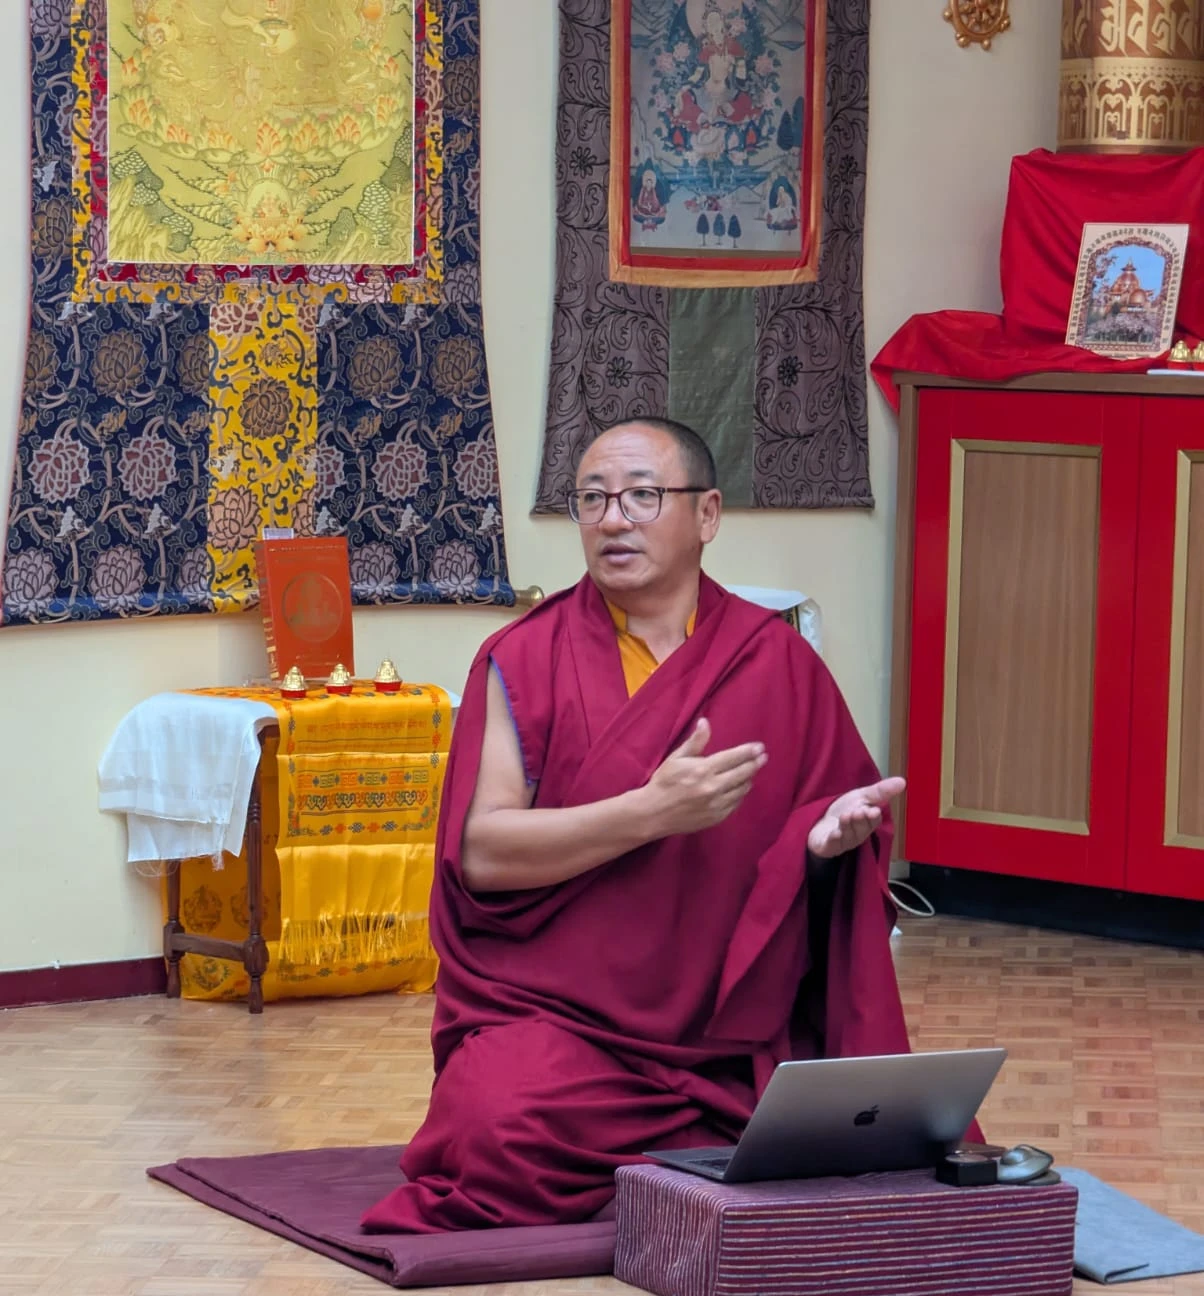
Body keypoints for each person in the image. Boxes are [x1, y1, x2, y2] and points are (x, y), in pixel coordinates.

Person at [362, 419, 968, 1235]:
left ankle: (710, 1157)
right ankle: (708, 1168)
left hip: (725, 1036)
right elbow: (481, 855)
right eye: (592, 499)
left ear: (707, 514)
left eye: (643, 495)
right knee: (493, 1131)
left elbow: (826, 845)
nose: (614, 519)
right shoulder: (524, 657)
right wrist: (648, 814)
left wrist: (824, 849)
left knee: (821, 1122)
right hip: (560, 1021)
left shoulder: (775, 662)